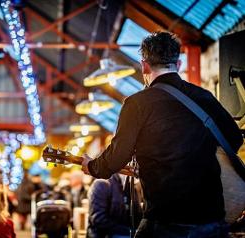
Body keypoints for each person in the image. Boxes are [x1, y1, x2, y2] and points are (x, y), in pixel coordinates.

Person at [81, 31, 243, 238]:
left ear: (144, 66)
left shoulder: (136, 104)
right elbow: (235, 139)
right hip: (210, 220)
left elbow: (115, 158)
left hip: (165, 221)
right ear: (179, 65)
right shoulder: (204, 97)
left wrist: (92, 166)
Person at [87, 173, 130, 238]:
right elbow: (98, 220)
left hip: (122, 233)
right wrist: (128, 231)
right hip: (104, 235)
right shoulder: (101, 183)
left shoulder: (130, 186)